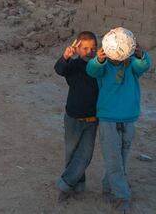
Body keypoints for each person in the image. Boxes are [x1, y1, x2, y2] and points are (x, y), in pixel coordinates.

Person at [86, 44, 151, 213]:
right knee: (114, 159)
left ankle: (108, 188)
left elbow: (144, 65)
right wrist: (98, 59)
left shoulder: (132, 66)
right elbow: (91, 70)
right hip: (108, 119)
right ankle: (122, 196)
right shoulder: (103, 66)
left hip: (129, 119)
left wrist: (140, 55)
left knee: (121, 157)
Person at [54, 31, 99, 203]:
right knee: (72, 154)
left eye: (92, 48)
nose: (89, 51)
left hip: (92, 119)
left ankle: (65, 184)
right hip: (73, 117)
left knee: (86, 155)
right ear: (77, 48)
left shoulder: (98, 67)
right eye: (85, 48)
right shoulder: (73, 65)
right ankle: (75, 186)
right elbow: (59, 69)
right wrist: (66, 56)